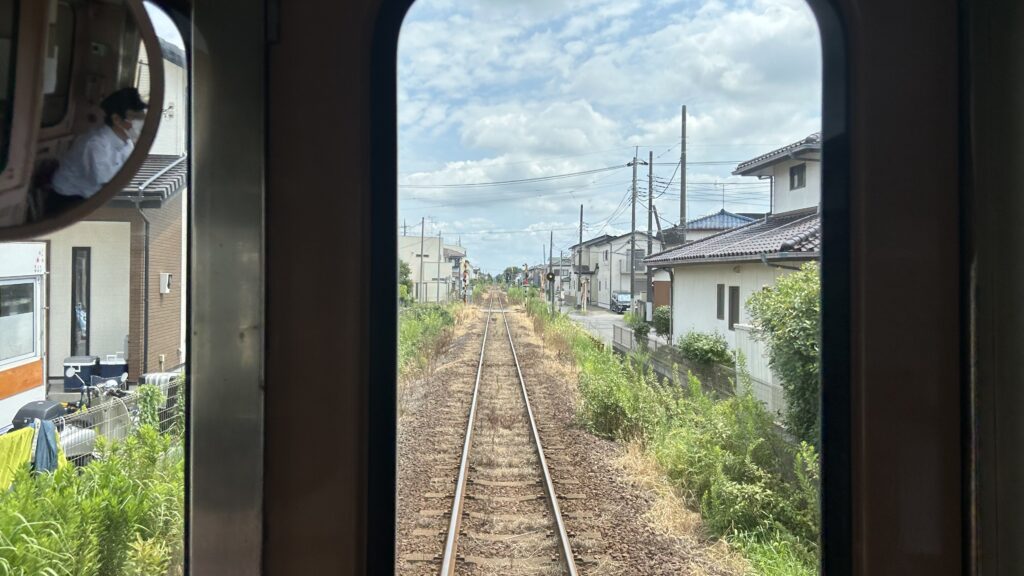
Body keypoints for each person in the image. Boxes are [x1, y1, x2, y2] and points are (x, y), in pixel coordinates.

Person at [47, 87, 147, 214]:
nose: (141, 123)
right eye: (136, 118)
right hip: (68, 199)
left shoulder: (127, 143)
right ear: (116, 119)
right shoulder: (95, 144)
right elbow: (106, 186)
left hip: (93, 196)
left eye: (142, 117)